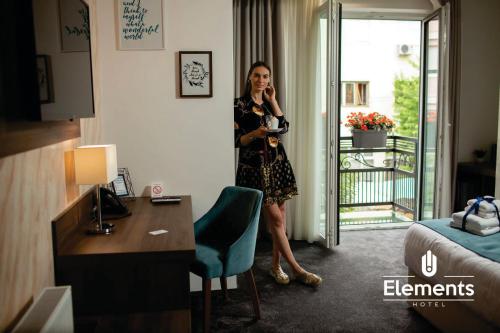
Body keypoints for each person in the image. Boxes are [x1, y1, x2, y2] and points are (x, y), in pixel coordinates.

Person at [234, 61, 322, 287]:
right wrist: (254, 133)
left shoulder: (268, 104)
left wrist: (273, 100)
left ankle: (276, 267)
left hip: (277, 162)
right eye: (257, 75)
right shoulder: (238, 105)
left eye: (265, 76)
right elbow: (237, 141)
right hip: (255, 167)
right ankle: (298, 270)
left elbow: (284, 125)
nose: (261, 80)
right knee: (274, 218)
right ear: (249, 77)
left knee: (280, 216)